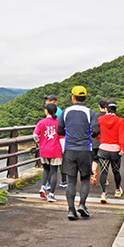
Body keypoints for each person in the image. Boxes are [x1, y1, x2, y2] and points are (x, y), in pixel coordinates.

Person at [57, 86, 100, 220]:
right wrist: (87, 136)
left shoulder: (66, 111)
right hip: (85, 150)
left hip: (69, 150)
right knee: (85, 178)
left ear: (73, 97)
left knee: (71, 181)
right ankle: (82, 204)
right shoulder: (90, 112)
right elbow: (96, 131)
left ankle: (71, 210)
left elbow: (59, 131)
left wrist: (69, 133)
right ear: (85, 98)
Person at [33, 103, 62, 202]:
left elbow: (35, 135)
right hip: (55, 150)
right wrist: (63, 150)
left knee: (45, 169)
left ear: (46, 111)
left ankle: (42, 187)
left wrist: (38, 141)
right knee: (54, 171)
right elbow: (62, 138)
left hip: (44, 149)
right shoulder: (59, 123)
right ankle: (51, 194)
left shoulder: (41, 122)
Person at [97, 101, 124, 203]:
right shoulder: (119, 120)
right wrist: (122, 148)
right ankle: (117, 190)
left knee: (103, 172)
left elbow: (95, 131)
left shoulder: (100, 119)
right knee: (116, 171)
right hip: (115, 150)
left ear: (106, 109)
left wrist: (98, 137)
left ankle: (103, 194)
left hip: (103, 149)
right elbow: (121, 135)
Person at [46, 95, 67, 188]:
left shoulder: (57, 111)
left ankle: (49, 183)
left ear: (55, 102)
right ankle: (63, 180)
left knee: (53, 165)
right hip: (59, 138)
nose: (47, 102)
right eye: (47, 100)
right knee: (60, 161)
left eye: (50, 100)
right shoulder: (60, 111)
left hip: (54, 140)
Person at [91, 99, 108, 185]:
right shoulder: (109, 116)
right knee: (104, 160)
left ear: (99, 106)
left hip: (95, 142)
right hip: (105, 142)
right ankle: (104, 179)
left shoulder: (94, 116)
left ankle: (93, 173)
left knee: (94, 159)